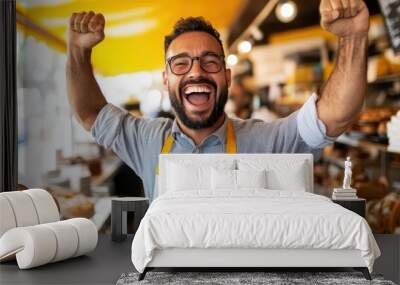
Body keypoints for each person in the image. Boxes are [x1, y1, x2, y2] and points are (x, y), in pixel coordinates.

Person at [66, 0, 370, 202]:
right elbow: (90, 112)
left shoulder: (267, 140)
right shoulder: (147, 139)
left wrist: (353, 37)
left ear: (226, 77)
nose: (196, 72)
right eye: (181, 63)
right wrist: (78, 52)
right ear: (166, 80)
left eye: (209, 62)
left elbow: (336, 115)